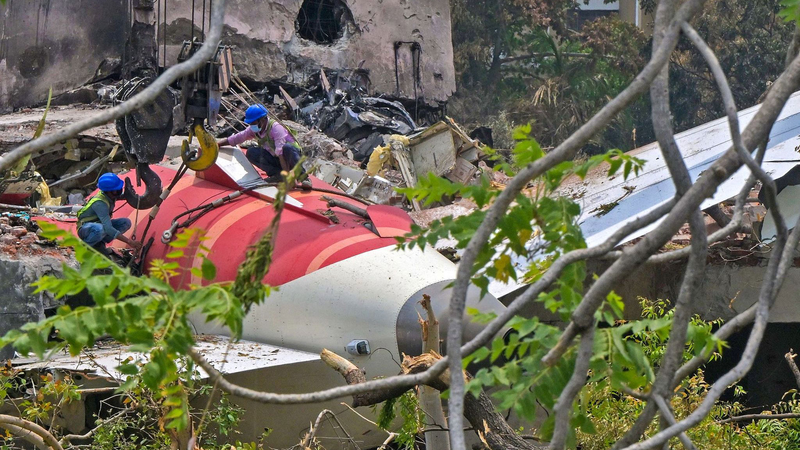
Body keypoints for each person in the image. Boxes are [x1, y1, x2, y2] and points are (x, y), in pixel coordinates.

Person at [216, 104, 304, 181]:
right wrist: (218, 144)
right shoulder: (255, 130)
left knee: (287, 148)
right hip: (276, 158)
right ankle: (278, 175)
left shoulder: (276, 128)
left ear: (262, 120)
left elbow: (280, 153)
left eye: (253, 123)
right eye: (250, 123)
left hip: (289, 157)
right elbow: (237, 138)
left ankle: (303, 177)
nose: (252, 125)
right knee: (251, 152)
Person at [77, 173, 142, 255]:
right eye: (117, 190)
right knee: (101, 229)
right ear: (109, 191)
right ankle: (86, 246)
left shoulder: (110, 195)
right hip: (86, 228)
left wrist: (129, 195)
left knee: (126, 223)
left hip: (98, 225)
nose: (119, 191)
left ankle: (99, 243)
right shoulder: (100, 203)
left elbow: (120, 196)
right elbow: (108, 228)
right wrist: (130, 242)